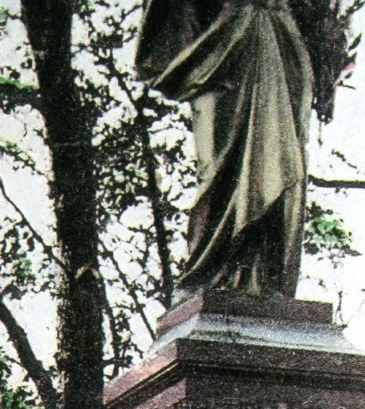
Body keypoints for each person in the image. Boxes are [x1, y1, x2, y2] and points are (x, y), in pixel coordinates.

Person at [134, 0, 351, 300]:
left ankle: (270, 280)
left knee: (283, 164)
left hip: (285, 42)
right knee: (220, 164)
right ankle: (209, 274)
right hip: (223, 45)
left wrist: (330, 51)